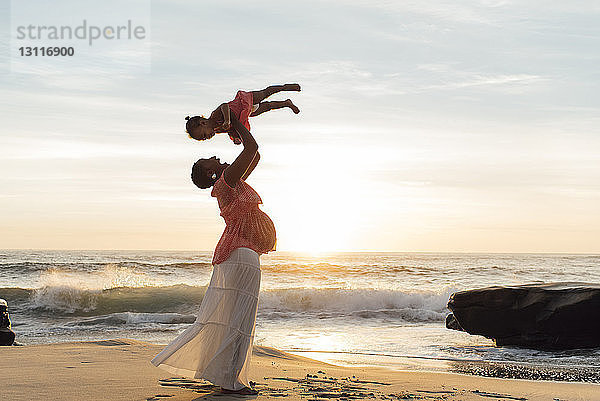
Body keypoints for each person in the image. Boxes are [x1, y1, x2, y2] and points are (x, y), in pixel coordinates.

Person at [152, 114, 276, 395]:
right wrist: (234, 124)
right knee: (240, 320)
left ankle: (230, 378)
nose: (216, 156)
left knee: (237, 319)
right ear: (210, 174)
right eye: (211, 160)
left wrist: (237, 126)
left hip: (240, 254)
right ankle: (232, 381)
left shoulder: (230, 180)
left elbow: (254, 156)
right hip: (242, 255)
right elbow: (251, 148)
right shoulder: (226, 180)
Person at [185, 83, 301, 144]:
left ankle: (285, 87)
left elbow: (224, 106)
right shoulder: (216, 129)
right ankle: (286, 103)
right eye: (204, 139)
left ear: (203, 123)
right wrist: (236, 138)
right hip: (246, 113)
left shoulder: (214, 116)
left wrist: (227, 120)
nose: (208, 138)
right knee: (268, 106)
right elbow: (230, 130)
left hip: (244, 102)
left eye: (204, 135)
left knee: (265, 92)